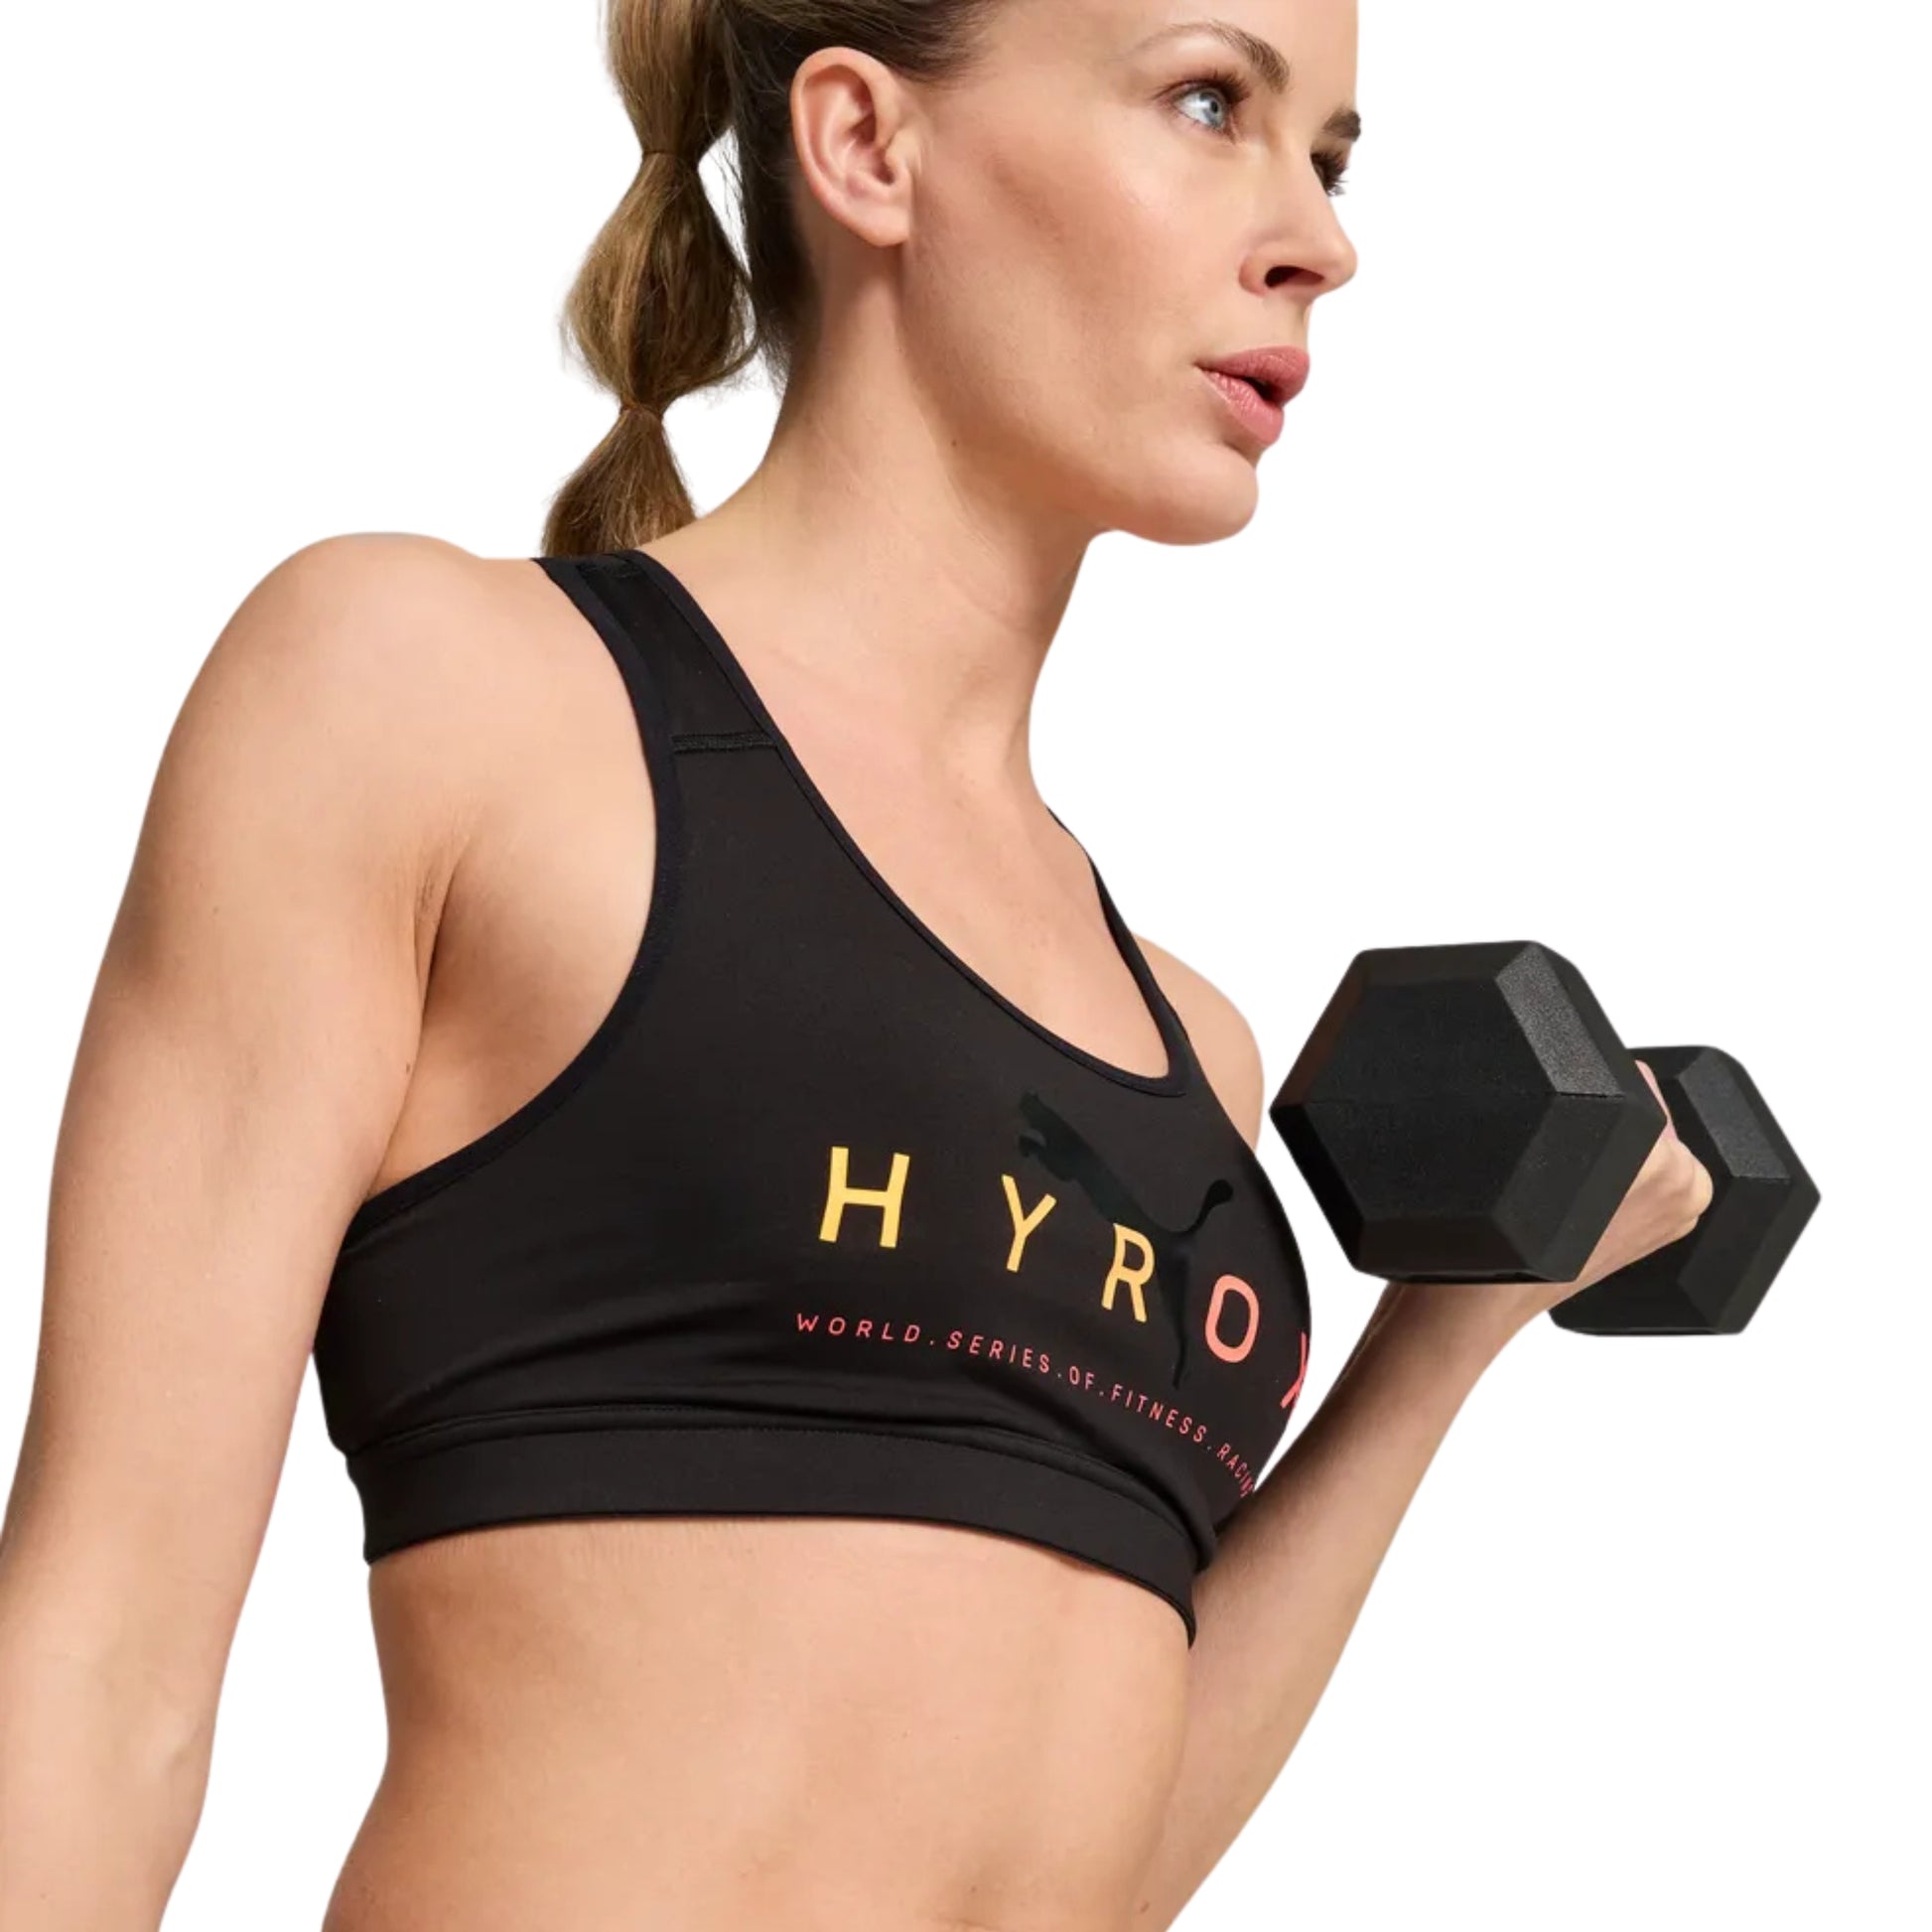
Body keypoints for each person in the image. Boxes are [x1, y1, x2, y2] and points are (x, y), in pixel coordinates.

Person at [0, 2, 1715, 1927]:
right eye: (1208, 101)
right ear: (866, 147)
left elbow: (1081, 1863)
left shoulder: (1188, 1051)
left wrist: (1448, 1334)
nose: (1320, 240)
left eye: (1325, 156)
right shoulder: (432, 698)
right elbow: (102, 1669)